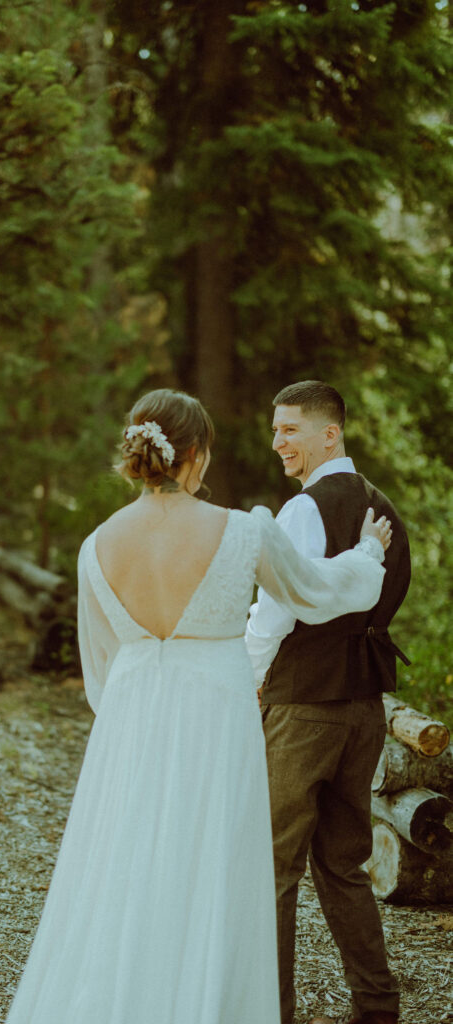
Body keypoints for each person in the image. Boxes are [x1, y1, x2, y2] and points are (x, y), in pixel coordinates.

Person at [4, 388, 392, 1024]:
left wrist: (133, 714)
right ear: (196, 456)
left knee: (128, 865)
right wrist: (368, 551)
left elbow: (98, 663)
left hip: (129, 722)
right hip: (216, 717)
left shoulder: (96, 545)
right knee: (216, 869)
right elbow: (316, 592)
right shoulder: (244, 531)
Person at [245, 381, 410, 1024]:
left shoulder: (302, 511)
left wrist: (247, 677)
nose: (278, 441)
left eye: (289, 429)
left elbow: (275, 613)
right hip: (364, 707)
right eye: (276, 428)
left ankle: (270, 1010)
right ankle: (377, 1005)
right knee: (344, 862)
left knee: (274, 866)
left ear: (329, 434)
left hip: (302, 707)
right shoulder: (385, 510)